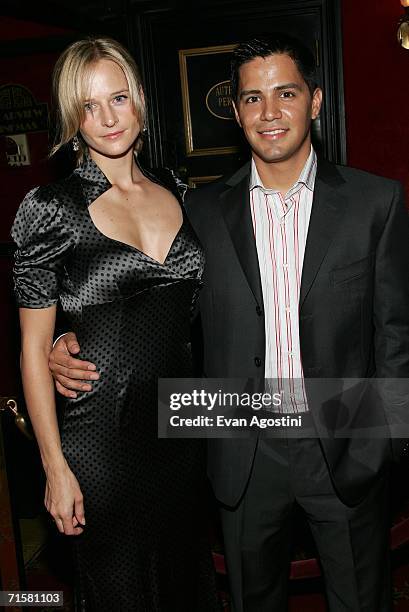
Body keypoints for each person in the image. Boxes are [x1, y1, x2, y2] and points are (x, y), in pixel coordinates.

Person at [49, 33, 409, 611]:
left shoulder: (376, 204)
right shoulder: (201, 211)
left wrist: (385, 442)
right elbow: (153, 304)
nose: (269, 113)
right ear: (236, 111)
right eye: (251, 98)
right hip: (241, 442)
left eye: (285, 93)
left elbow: (397, 334)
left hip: (345, 436)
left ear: (314, 101)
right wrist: (66, 343)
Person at [11, 37, 219, 611]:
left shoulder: (178, 190)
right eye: (88, 106)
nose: (106, 118)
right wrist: (54, 468)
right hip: (100, 437)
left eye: (118, 98)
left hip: (181, 432)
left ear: (141, 101)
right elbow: (32, 350)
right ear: (72, 118)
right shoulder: (52, 209)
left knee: (184, 583)